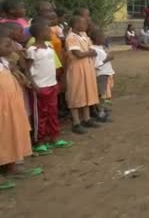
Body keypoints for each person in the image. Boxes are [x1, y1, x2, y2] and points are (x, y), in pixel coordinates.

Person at [0, 26, 38, 190]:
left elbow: (16, 71)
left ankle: (11, 165)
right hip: (3, 106)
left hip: (11, 105)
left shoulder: (5, 62)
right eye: (7, 45)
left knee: (11, 133)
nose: (11, 48)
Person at [26, 21, 73, 154]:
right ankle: (39, 141)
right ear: (40, 34)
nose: (51, 33)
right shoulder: (32, 50)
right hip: (40, 87)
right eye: (48, 32)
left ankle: (54, 137)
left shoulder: (49, 46)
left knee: (52, 113)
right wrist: (34, 85)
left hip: (52, 84)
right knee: (40, 115)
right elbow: (27, 70)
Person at [65, 15, 100, 134]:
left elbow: (91, 50)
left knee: (87, 92)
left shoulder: (84, 35)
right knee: (76, 93)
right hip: (77, 68)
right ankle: (76, 122)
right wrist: (89, 53)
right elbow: (78, 54)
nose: (86, 25)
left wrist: (89, 53)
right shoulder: (71, 37)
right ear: (75, 25)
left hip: (87, 67)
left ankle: (87, 118)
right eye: (83, 23)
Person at [90, 29, 114, 122]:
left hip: (105, 73)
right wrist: (107, 59)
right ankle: (100, 113)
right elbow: (95, 64)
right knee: (101, 95)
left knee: (102, 94)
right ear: (96, 38)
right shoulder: (94, 49)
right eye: (102, 37)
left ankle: (101, 111)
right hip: (100, 74)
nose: (104, 38)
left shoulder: (100, 48)